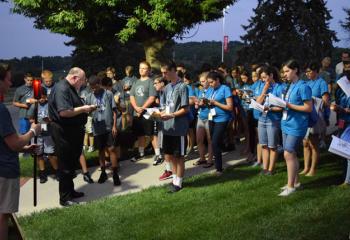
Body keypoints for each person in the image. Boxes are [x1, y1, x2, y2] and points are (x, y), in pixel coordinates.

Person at [0, 63, 41, 240]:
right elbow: (14, 143)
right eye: (8, 80)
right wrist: (33, 132)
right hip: (4, 171)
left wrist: (24, 147)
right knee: (3, 215)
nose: (10, 84)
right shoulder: (1, 110)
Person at [48, 67, 96, 207]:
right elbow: (64, 112)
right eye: (82, 81)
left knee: (71, 163)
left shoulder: (68, 87)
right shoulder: (62, 88)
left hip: (71, 131)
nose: (82, 84)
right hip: (63, 132)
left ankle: (70, 191)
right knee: (65, 165)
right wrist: (84, 108)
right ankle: (65, 198)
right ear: (75, 78)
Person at [279, 60, 312, 196]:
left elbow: (308, 108)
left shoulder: (303, 86)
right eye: (284, 72)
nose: (285, 74)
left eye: (287, 71)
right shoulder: (289, 85)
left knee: (288, 153)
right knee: (291, 154)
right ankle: (296, 182)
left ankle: (290, 186)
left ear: (296, 70)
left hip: (297, 125)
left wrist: (289, 105)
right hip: (286, 123)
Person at [85, 75, 121, 186]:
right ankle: (103, 172)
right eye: (92, 88)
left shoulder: (108, 94)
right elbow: (87, 112)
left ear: (99, 84)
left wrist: (114, 126)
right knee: (100, 150)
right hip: (97, 127)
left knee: (112, 149)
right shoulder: (89, 96)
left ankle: (115, 173)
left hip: (108, 126)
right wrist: (90, 110)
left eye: (95, 87)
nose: (94, 89)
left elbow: (115, 111)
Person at [160, 62, 189, 192]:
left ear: (173, 70)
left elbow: (186, 109)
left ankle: (179, 182)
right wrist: (157, 114)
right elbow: (164, 107)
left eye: (165, 72)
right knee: (171, 155)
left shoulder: (182, 87)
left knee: (179, 156)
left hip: (178, 128)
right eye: (162, 72)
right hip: (167, 128)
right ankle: (174, 179)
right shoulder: (166, 88)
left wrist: (171, 115)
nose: (163, 75)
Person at [255, 66, 285, 175]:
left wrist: (271, 108)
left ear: (271, 75)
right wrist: (264, 90)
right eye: (262, 78)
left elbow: (282, 106)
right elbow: (258, 103)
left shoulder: (280, 87)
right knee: (263, 144)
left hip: (273, 120)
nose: (263, 80)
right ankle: (265, 168)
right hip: (262, 118)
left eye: (265, 77)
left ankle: (271, 169)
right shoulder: (263, 86)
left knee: (272, 146)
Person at [301, 62, 329, 176]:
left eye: (309, 71)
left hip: (316, 116)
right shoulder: (307, 83)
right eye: (306, 71)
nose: (307, 74)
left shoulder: (321, 83)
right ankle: (306, 168)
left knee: (314, 143)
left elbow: (326, 101)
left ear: (316, 71)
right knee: (305, 143)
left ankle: (313, 169)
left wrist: (314, 100)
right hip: (306, 116)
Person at [130, 61, 159, 162]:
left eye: (144, 68)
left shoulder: (150, 82)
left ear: (149, 70)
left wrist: (141, 108)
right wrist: (136, 107)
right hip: (137, 113)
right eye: (140, 68)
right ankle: (141, 153)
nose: (141, 70)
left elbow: (152, 97)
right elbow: (132, 96)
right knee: (140, 134)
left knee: (151, 134)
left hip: (148, 112)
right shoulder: (136, 82)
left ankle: (158, 155)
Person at [206, 71, 233, 175]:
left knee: (215, 142)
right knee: (214, 143)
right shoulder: (210, 89)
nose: (210, 84)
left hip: (222, 119)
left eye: (212, 82)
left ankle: (219, 168)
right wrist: (203, 103)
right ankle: (218, 165)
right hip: (212, 118)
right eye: (209, 82)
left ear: (217, 80)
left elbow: (230, 107)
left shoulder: (225, 89)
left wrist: (215, 103)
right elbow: (209, 102)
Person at [194, 72, 214, 168]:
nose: (202, 83)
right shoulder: (201, 90)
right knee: (199, 138)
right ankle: (202, 158)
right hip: (201, 116)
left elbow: (212, 103)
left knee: (210, 139)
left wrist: (204, 103)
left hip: (209, 116)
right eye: (201, 81)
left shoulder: (212, 89)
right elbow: (198, 102)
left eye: (204, 81)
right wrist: (197, 104)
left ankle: (210, 160)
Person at [121, 65, 137, 130]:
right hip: (125, 99)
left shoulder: (135, 79)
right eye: (126, 72)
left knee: (130, 114)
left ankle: (130, 127)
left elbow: (135, 87)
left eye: (129, 72)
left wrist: (129, 87)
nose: (127, 74)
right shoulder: (124, 79)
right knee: (124, 114)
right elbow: (121, 88)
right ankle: (123, 127)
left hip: (131, 99)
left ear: (132, 72)